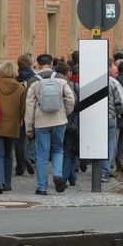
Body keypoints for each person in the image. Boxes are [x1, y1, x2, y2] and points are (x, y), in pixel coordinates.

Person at [24, 54, 75, 195]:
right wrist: (65, 112)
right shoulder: (61, 78)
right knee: (58, 149)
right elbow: (71, 99)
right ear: (51, 63)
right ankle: (58, 175)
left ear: (38, 65)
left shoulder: (33, 81)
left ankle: (42, 187)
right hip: (59, 120)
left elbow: (29, 106)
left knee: (42, 154)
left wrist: (28, 127)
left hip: (41, 122)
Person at [0, 62, 26, 194]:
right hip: (12, 125)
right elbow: (23, 108)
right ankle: (7, 183)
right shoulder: (20, 88)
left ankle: (0, 183)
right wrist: (20, 119)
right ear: (15, 72)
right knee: (8, 154)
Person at [102, 59, 123, 181]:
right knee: (110, 144)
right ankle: (105, 171)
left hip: (96, 118)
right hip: (110, 116)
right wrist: (118, 112)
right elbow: (121, 102)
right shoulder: (113, 83)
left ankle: (100, 168)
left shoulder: (92, 82)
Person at [55, 61, 79, 187]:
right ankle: (63, 179)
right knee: (67, 151)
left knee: (60, 150)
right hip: (70, 123)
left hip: (53, 121)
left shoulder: (49, 83)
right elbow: (77, 104)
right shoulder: (72, 85)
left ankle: (72, 177)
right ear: (68, 73)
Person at [15, 53, 37, 176]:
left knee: (19, 141)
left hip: (17, 112)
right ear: (30, 64)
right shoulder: (34, 77)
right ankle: (31, 158)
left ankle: (20, 167)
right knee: (34, 137)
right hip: (31, 110)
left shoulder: (14, 77)